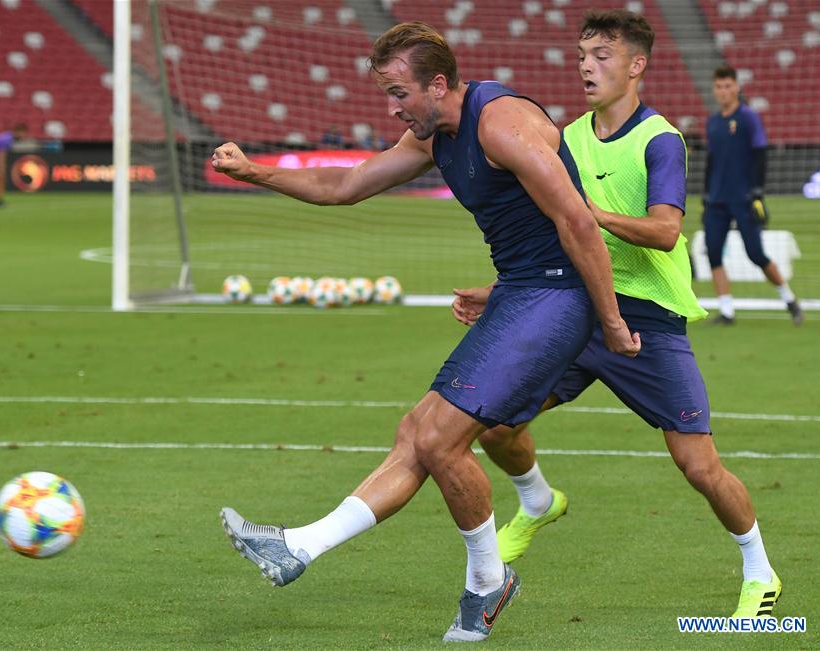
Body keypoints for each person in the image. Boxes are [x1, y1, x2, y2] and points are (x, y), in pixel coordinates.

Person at [211, 21, 639, 642]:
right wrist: (255, 173)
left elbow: (576, 220)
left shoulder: (501, 123)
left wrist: (611, 321)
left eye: (398, 91)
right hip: (524, 291)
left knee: (440, 439)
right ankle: (299, 547)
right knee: (417, 432)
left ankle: (488, 582)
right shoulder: (434, 133)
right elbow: (344, 186)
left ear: (438, 84)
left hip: (559, 294)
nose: (391, 106)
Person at [451, 10, 781, 619]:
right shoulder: (565, 136)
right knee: (492, 426)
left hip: (648, 322)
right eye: (582, 55)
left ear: (636, 66)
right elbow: (554, 244)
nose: (586, 66)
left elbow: (663, 231)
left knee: (698, 465)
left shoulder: (660, 139)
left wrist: (589, 214)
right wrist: (499, 291)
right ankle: (537, 500)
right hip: (577, 310)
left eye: (602, 56)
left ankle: (761, 571)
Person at [703, 66, 803, 325]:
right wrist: (706, 193)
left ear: (737, 87)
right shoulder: (712, 122)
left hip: (743, 197)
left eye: (727, 86)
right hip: (716, 199)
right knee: (713, 251)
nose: (723, 91)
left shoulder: (748, 118)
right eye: (719, 86)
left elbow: (760, 153)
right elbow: (711, 160)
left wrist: (758, 191)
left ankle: (789, 298)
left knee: (756, 254)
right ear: (714, 90)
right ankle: (727, 311)